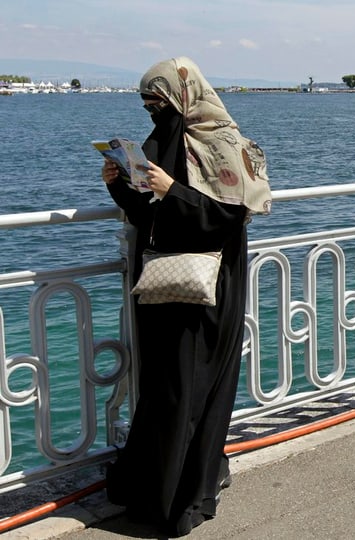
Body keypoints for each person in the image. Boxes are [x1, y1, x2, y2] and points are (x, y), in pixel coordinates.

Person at [100, 56, 271, 536]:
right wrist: (123, 190)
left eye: (158, 101)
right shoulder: (164, 140)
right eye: (146, 103)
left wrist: (173, 187)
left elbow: (230, 215)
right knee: (164, 388)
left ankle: (181, 499)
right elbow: (151, 215)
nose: (153, 110)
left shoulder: (223, 143)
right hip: (162, 283)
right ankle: (150, 489)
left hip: (207, 289)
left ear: (182, 97)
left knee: (188, 389)